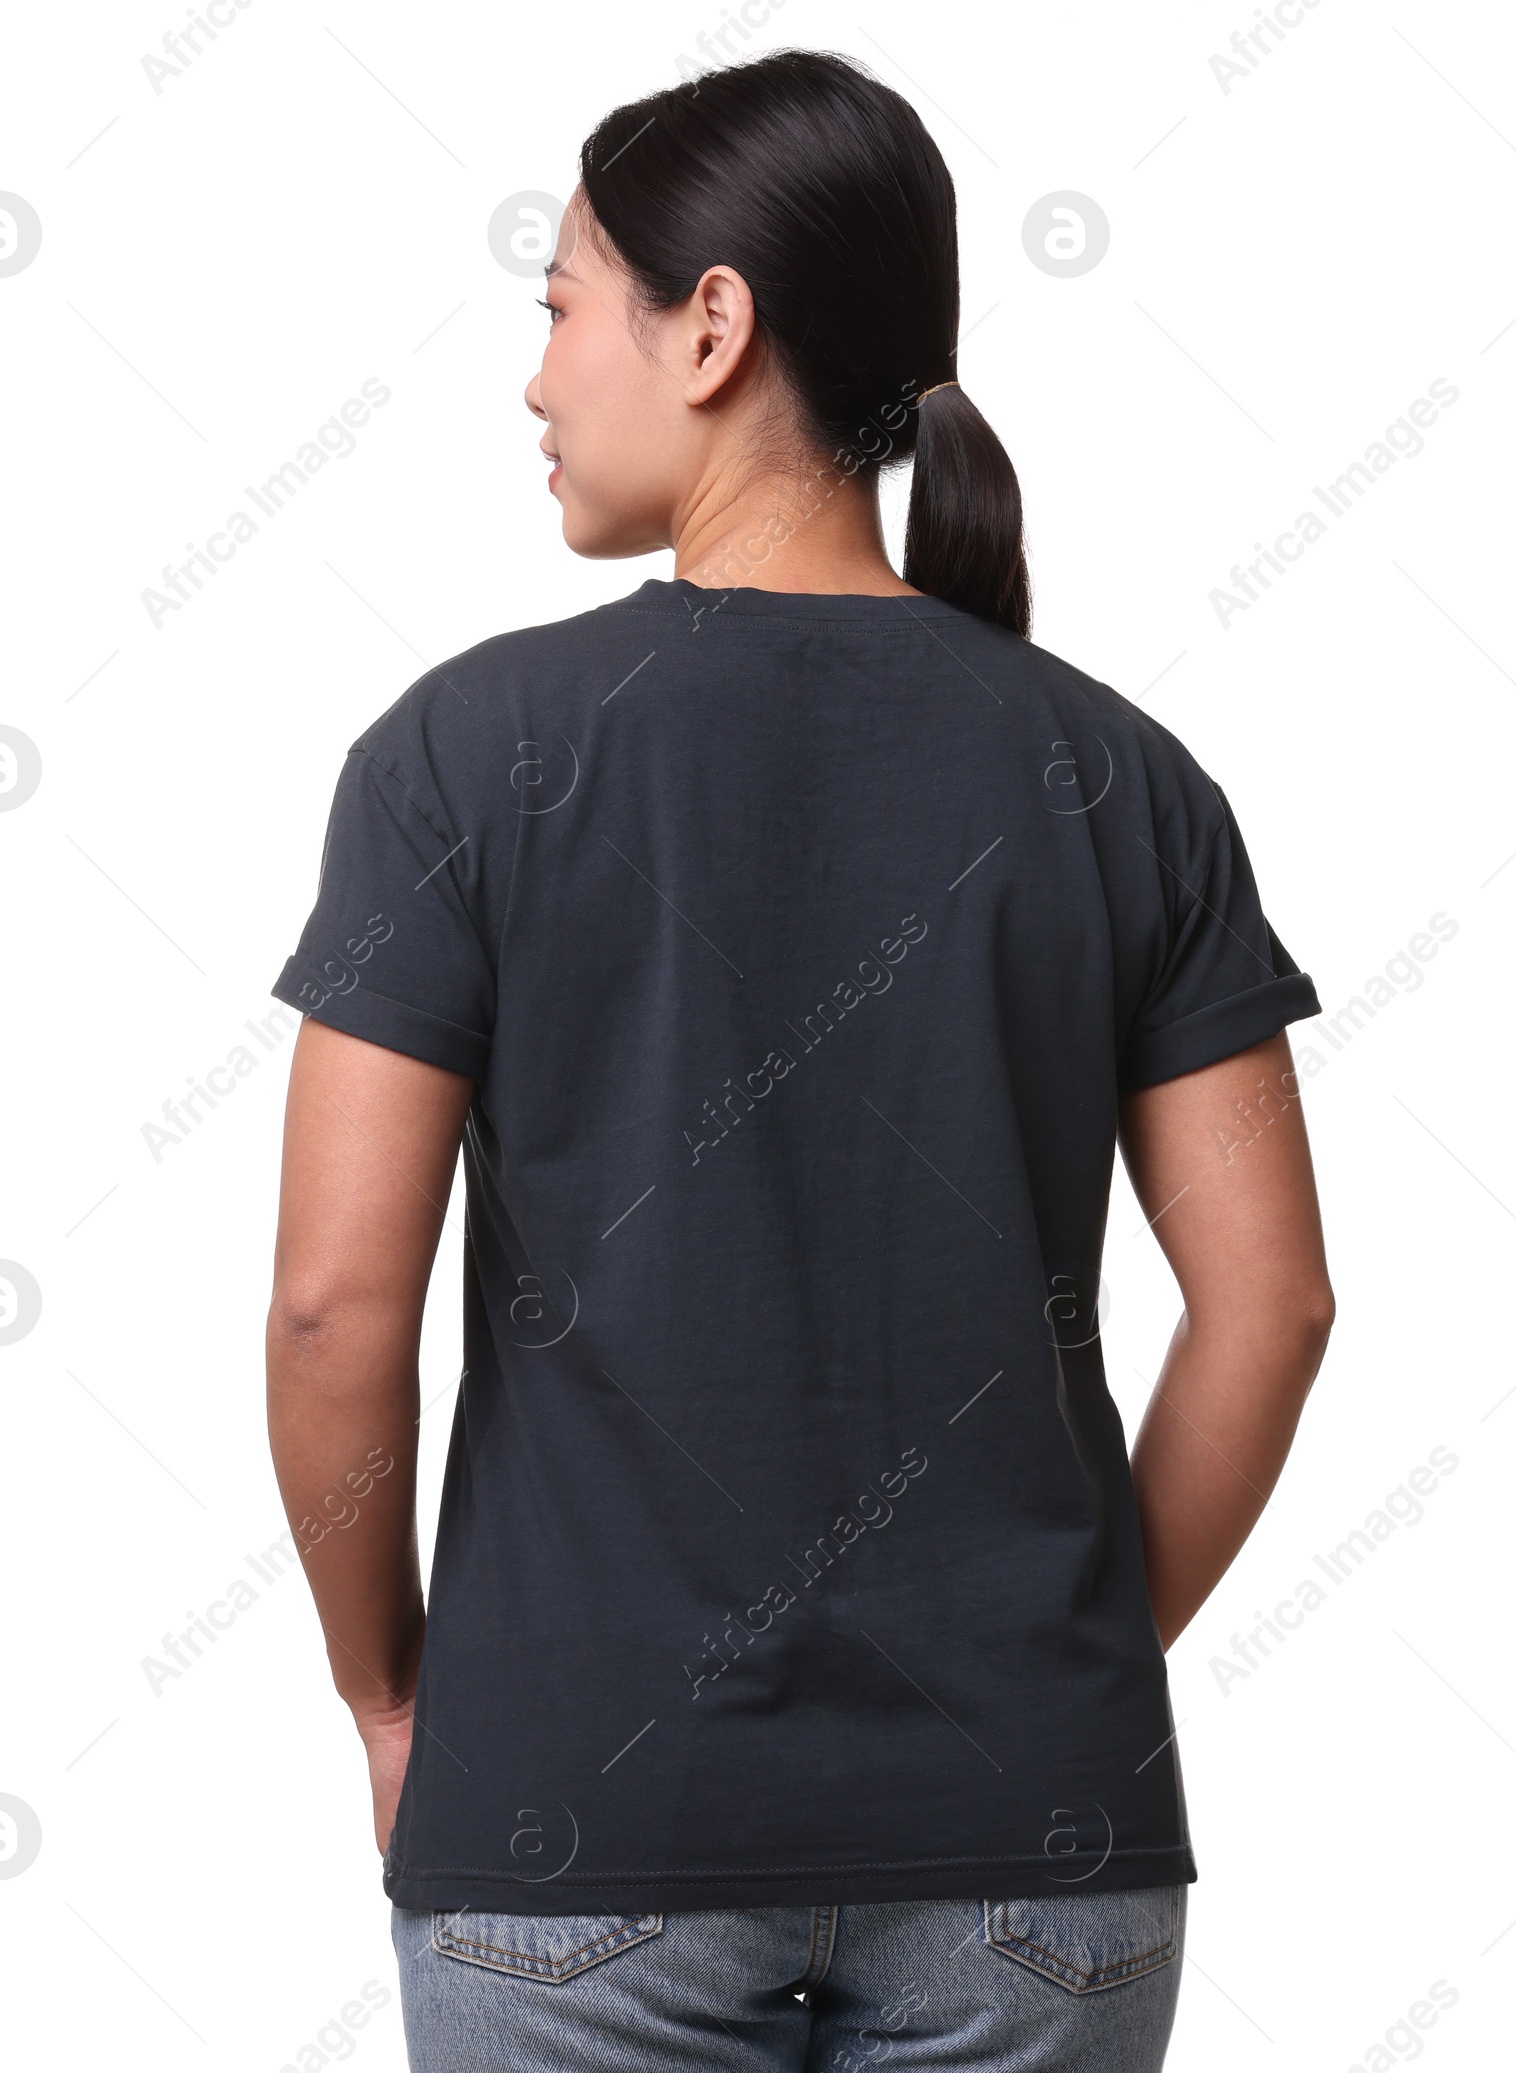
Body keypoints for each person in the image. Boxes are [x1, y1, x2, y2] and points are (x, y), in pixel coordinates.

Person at [265, 48, 1334, 2073]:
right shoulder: (1122, 777)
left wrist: (393, 1703)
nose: (533, 379)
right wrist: (1070, 1667)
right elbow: (1269, 1302)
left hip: (579, 1820)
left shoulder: (464, 759)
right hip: (1038, 1837)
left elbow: (334, 1304)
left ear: (712, 325)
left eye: (561, 304)